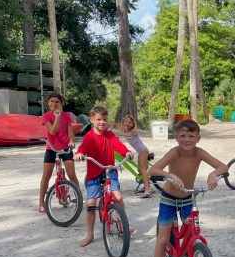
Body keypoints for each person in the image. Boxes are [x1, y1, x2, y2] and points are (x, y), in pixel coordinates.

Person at [146, 119, 228, 257]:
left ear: (198, 138)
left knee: (192, 236)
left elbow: (223, 166)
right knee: (162, 239)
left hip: (188, 199)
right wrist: (169, 175)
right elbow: (152, 170)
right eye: (182, 135)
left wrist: (214, 174)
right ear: (176, 136)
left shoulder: (199, 153)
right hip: (168, 199)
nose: (186, 139)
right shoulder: (174, 152)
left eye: (191, 136)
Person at [73, 106, 134, 247]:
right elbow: (82, 148)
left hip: (109, 170)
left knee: (117, 197)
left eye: (105, 119)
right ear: (92, 120)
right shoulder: (89, 137)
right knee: (91, 204)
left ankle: (123, 223)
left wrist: (127, 152)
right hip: (94, 173)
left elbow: (120, 147)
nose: (102, 122)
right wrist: (79, 154)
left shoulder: (110, 136)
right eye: (99, 119)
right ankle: (90, 234)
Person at [39, 92, 80, 213]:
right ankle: (41, 202)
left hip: (65, 148)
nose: (54, 104)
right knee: (46, 176)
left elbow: (70, 133)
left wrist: (72, 141)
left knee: (71, 174)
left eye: (57, 102)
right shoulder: (46, 116)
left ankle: (78, 197)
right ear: (48, 103)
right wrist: (57, 117)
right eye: (51, 101)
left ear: (61, 103)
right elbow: (52, 131)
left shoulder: (67, 116)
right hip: (51, 148)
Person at [111, 115, 154, 198]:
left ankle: (148, 189)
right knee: (140, 169)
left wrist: (119, 135)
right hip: (140, 151)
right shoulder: (123, 129)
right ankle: (145, 185)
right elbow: (114, 124)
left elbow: (128, 134)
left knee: (142, 169)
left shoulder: (134, 131)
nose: (127, 123)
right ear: (123, 122)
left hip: (143, 150)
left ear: (133, 124)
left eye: (130, 122)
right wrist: (110, 129)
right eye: (126, 121)